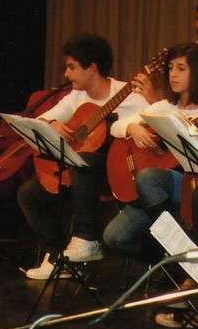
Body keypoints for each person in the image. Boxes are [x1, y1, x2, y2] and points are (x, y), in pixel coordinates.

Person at [18, 33, 147, 279]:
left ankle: (87, 238)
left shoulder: (129, 96)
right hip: (80, 175)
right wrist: (53, 123)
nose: (66, 74)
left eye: (72, 67)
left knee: (84, 161)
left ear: (92, 68)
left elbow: (152, 125)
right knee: (29, 192)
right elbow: (41, 120)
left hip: (115, 175)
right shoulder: (77, 97)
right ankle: (58, 257)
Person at [102, 42, 198, 258]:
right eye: (170, 68)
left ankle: (176, 248)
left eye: (181, 68)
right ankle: (171, 257)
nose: (173, 74)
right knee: (113, 238)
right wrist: (133, 128)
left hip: (192, 185)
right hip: (156, 192)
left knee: (148, 177)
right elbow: (115, 127)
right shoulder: (165, 106)